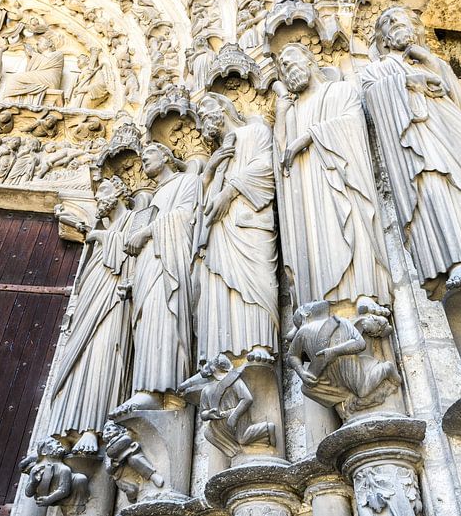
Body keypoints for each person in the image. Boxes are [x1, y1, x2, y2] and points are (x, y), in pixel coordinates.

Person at [360, 6, 461, 298]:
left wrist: (429, 63)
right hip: (417, 141)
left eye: (402, 19)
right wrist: (408, 82)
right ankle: (457, 261)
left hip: (452, 131)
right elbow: (371, 100)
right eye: (389, 23)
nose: (397, 24)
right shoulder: (377, 69)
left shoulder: (433, 62)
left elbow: (456, 100)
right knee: (435, 190)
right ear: (382, 39)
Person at [273, 43, 391, 311]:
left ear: (310, 59)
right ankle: (321, 306)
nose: (287, 73)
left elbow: (353, 125)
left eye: (290, 64)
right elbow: (282, 156)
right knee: (317, 240)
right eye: (282, 71)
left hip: (341, 178)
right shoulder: (292, 111)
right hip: (307, 190)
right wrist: (280, 113)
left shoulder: (340, 91)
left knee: (351, 225)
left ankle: (364, 294)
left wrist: (309, 136)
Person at [48, 177, 138, 453]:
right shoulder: (104, 228)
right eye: (96, 194)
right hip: (92, 295)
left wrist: (99, 236)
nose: (99, 198)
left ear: (122, 191)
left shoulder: (134, 218)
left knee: (105, 351)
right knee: (81, 356)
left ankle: (94, 427)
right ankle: (66, 428)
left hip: (114, 295)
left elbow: (134, 249)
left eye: (105, 191)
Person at [111, 142, 201, 416]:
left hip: (170, 262)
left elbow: (186, 217)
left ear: (166, 155)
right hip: (150, 264)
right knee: (147, 319)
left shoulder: (188, 181)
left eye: (148, 154)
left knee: (164, 314)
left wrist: (147, 232)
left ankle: (165, 388)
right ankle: (145, 388)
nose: (142, 160)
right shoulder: (154, 196)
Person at [194, 93, 279, 363]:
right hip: (220, 230)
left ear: (224, 107)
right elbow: (201, 205)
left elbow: (266, 167)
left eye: (206, 110)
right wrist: (209, 173)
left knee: (256, 281)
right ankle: (222, 353)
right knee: (219, 282)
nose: (202, 120)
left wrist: (229, 192)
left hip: (249, 219)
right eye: (199, 117)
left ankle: (260, 344)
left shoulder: (255, 132)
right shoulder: (217, 156)